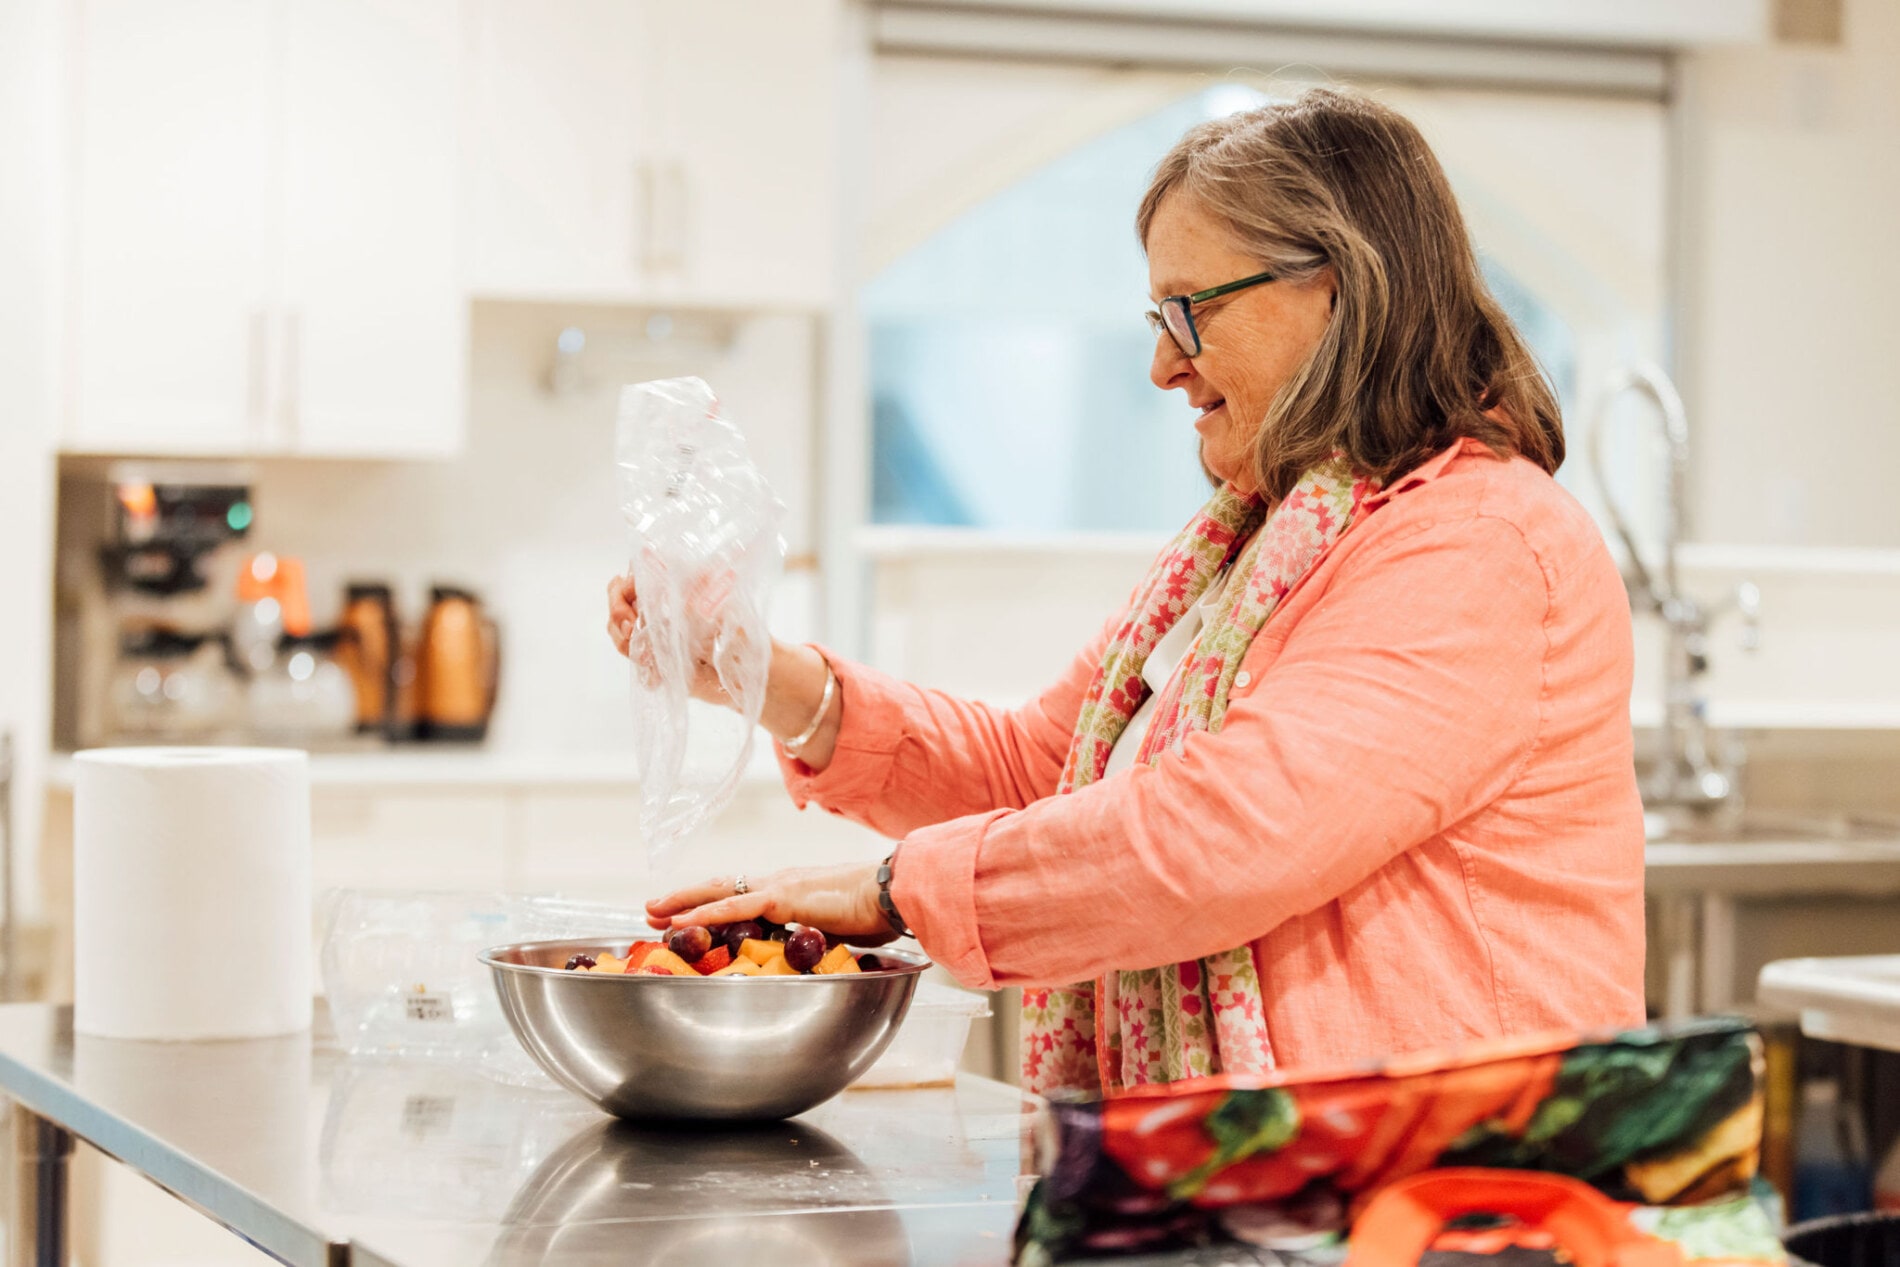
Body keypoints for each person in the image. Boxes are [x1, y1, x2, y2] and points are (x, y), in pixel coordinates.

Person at [607, 88, 1644, 1096]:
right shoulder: (1258, 547)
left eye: (1188, 312)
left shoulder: (1479, 543)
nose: (1161, 365)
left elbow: (1224, 837)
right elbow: (1047, 775)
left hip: (1451, 1191)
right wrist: (772, 678)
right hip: (1281, 1183)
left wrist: (891, 893)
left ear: (1335, 289)